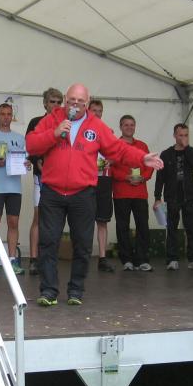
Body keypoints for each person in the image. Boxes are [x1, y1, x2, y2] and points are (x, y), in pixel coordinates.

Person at [27, 83, 163, 307]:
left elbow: (117, 149)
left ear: (87, 103)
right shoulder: (52, 119)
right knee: (48, 242)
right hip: (52, 192)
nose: (75, 105)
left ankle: (76, 290)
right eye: (72, 100)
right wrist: (54, 133)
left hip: (83, 193)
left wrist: (141, 158)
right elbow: (31, 145)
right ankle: (49, 291)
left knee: (82, 245)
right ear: (66, 100)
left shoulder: (96, 126)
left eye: (80, 101)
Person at [0, 103, 28, 276]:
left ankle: (12, 260)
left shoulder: (20, 138)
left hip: (15, 188)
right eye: (3, 114)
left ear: (12, 117)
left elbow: (25, 160)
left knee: (13, 223)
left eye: (9, 114)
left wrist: (27, 164)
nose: (6, 117)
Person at [153, 123, 193, 271]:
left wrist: (187, 148)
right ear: (174, 135)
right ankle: (172, 259)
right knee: (172, 229)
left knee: (192, 228)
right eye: (180, 135)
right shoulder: (166, 154)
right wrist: (157, 197)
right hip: (172, 197)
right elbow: (160, 177)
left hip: (189, 197)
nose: (183, 138)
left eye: (186, 135)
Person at [25, 88, 63, 275]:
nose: (55, 105)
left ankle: (49, 258)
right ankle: (33, 259)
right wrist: (36, 161)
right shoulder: (36, 122)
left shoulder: (67, 124)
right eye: (52, 101)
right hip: (41, 176)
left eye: (59, 102)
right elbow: (29, 146)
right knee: (39, 216)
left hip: (60, 178)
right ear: (45, 104)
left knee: (56, 219)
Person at [110, 115, 153, 271]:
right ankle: (126, 260)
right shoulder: (114, 146)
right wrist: (126, 177)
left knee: (143, 226)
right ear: (120, 127)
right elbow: (110, 168)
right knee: (123, 227)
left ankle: (142, 260)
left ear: (135, 127)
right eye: (126, 125)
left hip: (140, 193)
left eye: (132, 125)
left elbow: (150, 165)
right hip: (121, 192)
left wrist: (143, 177)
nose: (129, 127)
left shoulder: (142, 145)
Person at [88, 99, 115, 272]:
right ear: (88, 111)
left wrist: (110, 160)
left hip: (104, 180)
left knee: (102, 220)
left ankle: (102, 258)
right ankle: (82, 256)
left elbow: (115, 154)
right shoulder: (81, 130)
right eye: (94, 110)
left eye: (100, 111)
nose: (97, 114)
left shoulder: (109, 131)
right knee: (84, 220)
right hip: (86, 180)